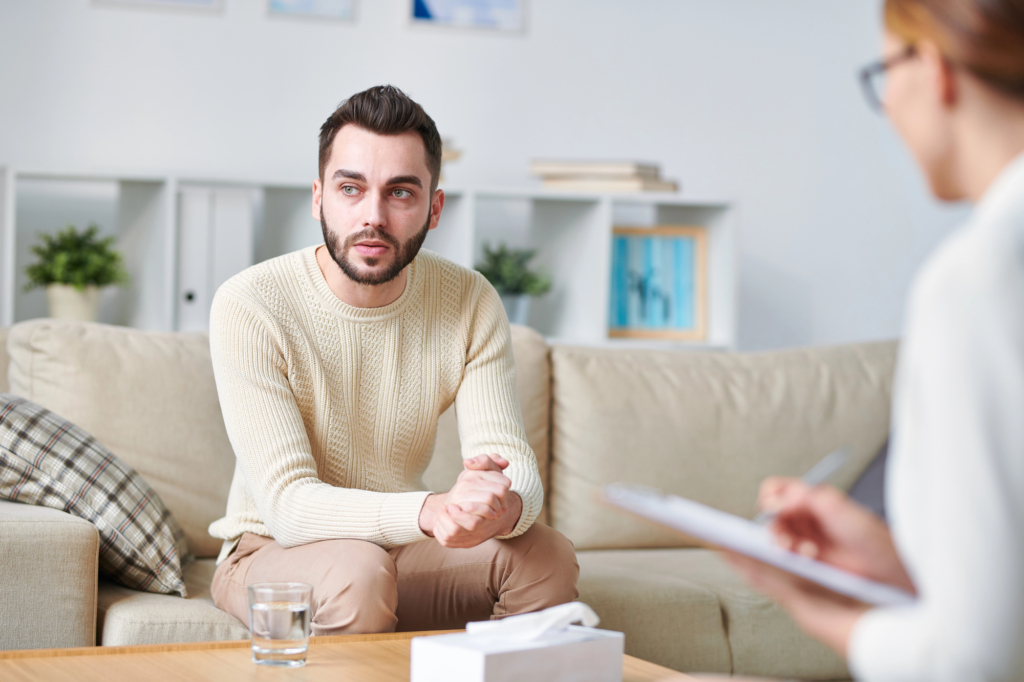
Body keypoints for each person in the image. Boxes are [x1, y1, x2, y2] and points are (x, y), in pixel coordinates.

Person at [206, 85, 578, 635]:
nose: (373, 216)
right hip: (270, 550)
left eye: (400, 192)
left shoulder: (469, 300)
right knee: (358, 573)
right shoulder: (251, 303)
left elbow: (513, 465)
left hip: (397, 549)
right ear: (318, 198)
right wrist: (430, 510)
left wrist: (501, 506)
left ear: (434, 208)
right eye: (350, 188)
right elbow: (288, 506)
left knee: (544, 556)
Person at [726, 0, 1024, 679]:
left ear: (935, 68)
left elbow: (973, 663)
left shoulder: (979, 278)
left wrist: (822, 613)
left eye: (886, 71)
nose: (888, 105)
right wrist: (898, 567)